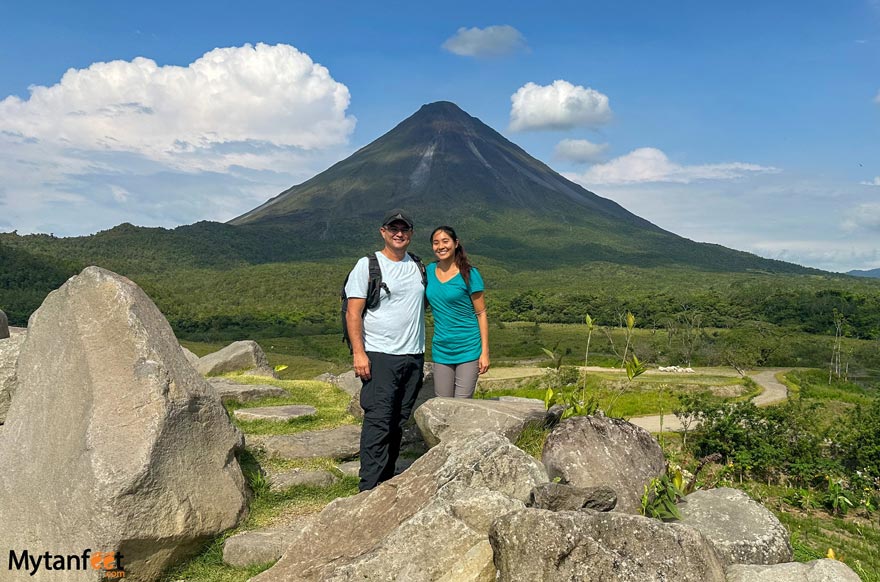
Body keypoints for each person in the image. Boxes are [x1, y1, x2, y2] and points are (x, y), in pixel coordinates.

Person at [344, 210, 426, 492]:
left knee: (398, 421)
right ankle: (368, 488)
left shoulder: (417, 265)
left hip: (414, 356)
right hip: (379, 356)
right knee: (378, 420)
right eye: (394, 228)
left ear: (411, 234)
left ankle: (387, 481)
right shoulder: (367, 265)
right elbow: (353, 313)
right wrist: (359, 353)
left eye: (405, 229)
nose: (399, 233)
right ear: (383, 232)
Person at [426, 225, 489, 398]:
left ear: (456, 243)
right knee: (443, 404)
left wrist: (485, 353)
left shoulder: (469, 274)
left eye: (445, 241)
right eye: (436, 243)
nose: (441, 246)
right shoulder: (428, 272)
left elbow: (481, 313)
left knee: (462, 404)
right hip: (442, 348)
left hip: (468, 347)